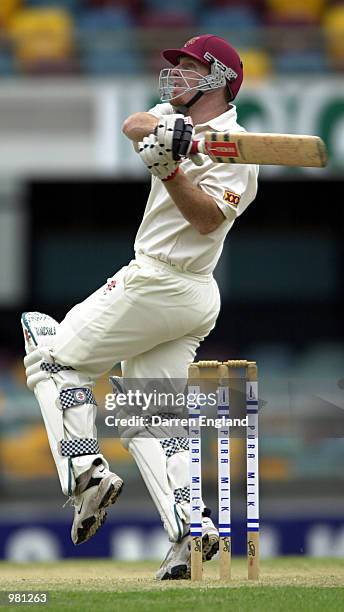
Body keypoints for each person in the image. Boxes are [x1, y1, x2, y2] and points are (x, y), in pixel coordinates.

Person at [21, 34, 258, 580]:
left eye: (188, 69)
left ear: (219, 79)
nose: (173, 77)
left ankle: (86, 469)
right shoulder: (173, 117)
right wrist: (166, 134)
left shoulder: (240, 150)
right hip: (182, 295)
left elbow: (205, 221)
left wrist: (171, 170)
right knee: (150, 417)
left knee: (52, 355)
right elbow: (132, 123)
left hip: (165, 281)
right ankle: (192, 535)